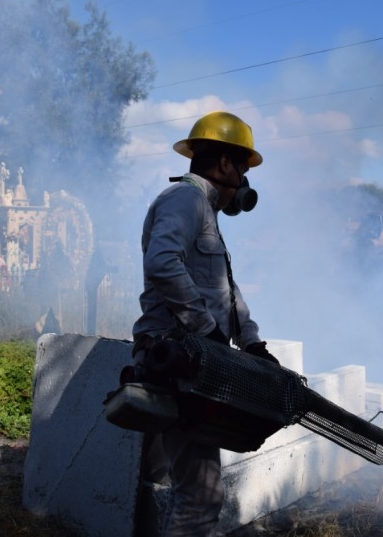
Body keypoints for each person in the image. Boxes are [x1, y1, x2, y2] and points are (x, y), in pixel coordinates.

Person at [132, 110, 279, 536]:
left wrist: (250, 342)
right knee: (201, 495)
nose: (245, 183)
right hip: (178, 361)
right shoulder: (187, 200)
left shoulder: (204, 210)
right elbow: (162, 264)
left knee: (174, 486)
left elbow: (224, 293)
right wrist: (205, 331)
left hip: (187, 357)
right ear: (225, 164)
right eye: (244, 169)